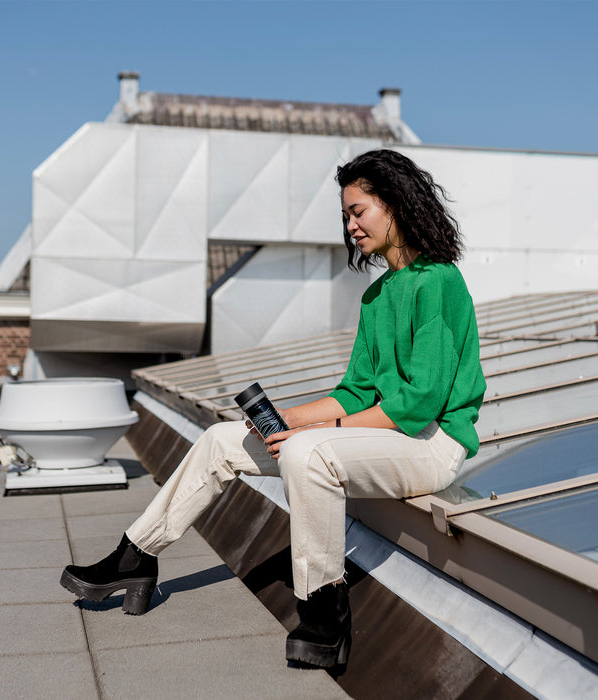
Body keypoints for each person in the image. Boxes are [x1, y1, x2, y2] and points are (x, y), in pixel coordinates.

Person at [60, 149, 487, 670]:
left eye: (359, 211)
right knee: (222, 439)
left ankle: (324, 610)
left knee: (309, 454)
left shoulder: (438, 281)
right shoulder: (378, 296)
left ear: (395, 205)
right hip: (382, 436)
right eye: (346, 215)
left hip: (431, 445)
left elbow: (419, 405)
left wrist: (319, 432)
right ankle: (136, 556)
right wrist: (289, 417)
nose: (351, 225)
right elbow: (355, 391)